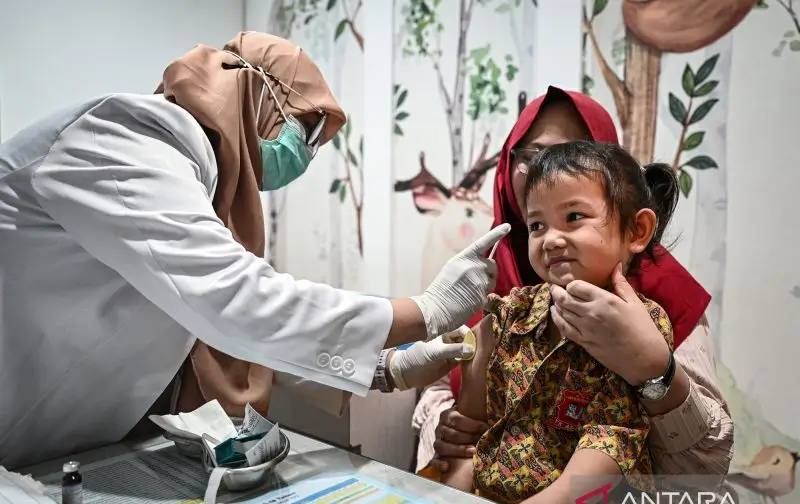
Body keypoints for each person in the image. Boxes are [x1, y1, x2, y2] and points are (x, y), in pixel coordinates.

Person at [0, 31, 509, 469]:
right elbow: (239, 303)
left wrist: (384, 368)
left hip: (68, 440)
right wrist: (426, 310)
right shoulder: (127, 139)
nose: (305, 154)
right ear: (256, 94)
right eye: (307, 131)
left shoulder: (199, 187)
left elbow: (227, 318)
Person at [415, 87, 732, 477]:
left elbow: (708, 459)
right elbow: (443, 391)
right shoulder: (491, 282)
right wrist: (451, 426)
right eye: (533, 156)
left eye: (574, 154)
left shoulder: (661, 294)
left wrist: (653, 370)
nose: (551, 169)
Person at [443, 141, 678, 504]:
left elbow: (614, 434)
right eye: (537, 225)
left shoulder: (643, 324)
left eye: (573, 216)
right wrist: (451, 503)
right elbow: (472, 429)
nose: (550, 239)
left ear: (637, 230)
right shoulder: (508, 313)